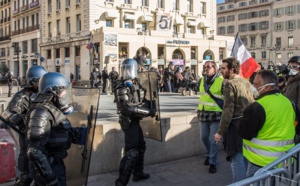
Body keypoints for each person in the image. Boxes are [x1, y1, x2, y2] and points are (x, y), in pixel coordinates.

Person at [238, 70, 295, 178]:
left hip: (261, 164)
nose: (252, 87)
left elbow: (245, 133)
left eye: (255, 84)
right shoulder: (289, 102)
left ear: (268, 87)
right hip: (286, 162)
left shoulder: (256, 107)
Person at [25, 72, 75, 186]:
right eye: (63, 91)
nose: (65, 94)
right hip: (47, 168)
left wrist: (74, 134)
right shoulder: (41, 113)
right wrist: (50, 179)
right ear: (53, 92)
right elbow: (34, 151)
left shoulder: (52, 109)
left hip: (55, 163)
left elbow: (55, 132)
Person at [1, 66, 48, 186]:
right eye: (39, 81)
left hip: (44, 135)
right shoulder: (22, 95)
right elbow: (7, 113)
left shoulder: (45, 94)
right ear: (33, 81)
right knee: (26, 173)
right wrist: (20, 119)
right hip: (28, 135)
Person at [114, 58, 156, 186]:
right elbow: (126, 108)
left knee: (141, 147)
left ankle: (138, 173)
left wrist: (150, 104)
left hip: (135, 121)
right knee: (131, 152)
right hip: (128, 121)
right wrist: (148, 112)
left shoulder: (135, 84)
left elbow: (139, 102)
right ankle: (121, 182)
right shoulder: (122, 87)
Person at [214, 57, 254, 183]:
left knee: (237, 158)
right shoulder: (246, 81)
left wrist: (220, 132)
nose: (221, 70)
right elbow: (255, 99)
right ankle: (248, 182)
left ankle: (238, 183)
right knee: (247, 156)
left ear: (232, 69)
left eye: (223, 68)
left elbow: (228, 111)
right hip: (249, 123)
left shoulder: (230, 84)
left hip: (236, 126)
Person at [197, 61, 223, 173]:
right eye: (205, 67)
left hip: (215, 113)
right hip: (203, 113)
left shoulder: (221, 80)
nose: (206, 68)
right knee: (203, 137)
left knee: (214, 140)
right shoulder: (202, 80)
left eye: (208, 67)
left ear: (214, 68)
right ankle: (210, 153)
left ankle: (213, 162)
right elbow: (196, 89)